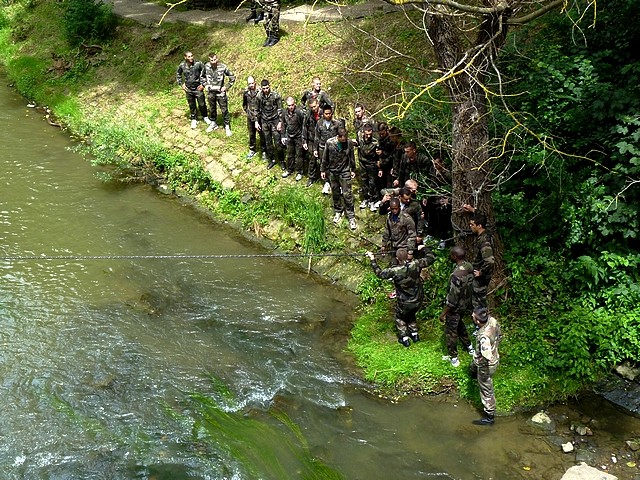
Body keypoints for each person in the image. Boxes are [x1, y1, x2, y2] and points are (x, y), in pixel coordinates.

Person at [365, 248, 436, 347]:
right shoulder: (416, 264)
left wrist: (372, 259)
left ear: (397, 258)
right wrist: (424, 248)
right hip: (418, 299)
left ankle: (404, 338)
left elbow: (379, 273)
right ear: (408, 256)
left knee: (400, 317)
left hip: (404, 302)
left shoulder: (395, 271)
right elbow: (431, 258)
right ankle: (415, 334)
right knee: (411, 313)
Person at [439, 246, 475, 368]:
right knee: (459, 325)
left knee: (451, 332)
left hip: (456, 307)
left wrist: (443, 313)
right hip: (466, 303)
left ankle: (453, 358)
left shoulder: (456, 275)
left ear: (454, 257)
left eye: (451, 254)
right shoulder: (469, 266)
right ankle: (469, 347)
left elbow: (452, 299)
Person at [321, 127, 357, 230]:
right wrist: (323, 170)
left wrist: (353, 169)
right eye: (343, 138)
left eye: (346, 138)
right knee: (335, 193)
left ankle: (351, 216)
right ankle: (338, 211)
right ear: (338, 136)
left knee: (347, 194)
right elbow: (325, 157)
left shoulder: (349, 143)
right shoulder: (330, 143)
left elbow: (351, 156)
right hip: (333, 171)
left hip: (344, 171)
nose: (344, 140)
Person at [470, 307, 501, 425]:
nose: (472, 316)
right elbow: (499, 334)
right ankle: (473, 373)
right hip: (494, 355)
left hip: (486, 366)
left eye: (473, 317)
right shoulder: (492, 320)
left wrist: (483, 359)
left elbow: (486, 355)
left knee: (486, 389)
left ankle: (489, 417)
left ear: (478, 321)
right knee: (474, 368)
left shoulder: (484, 337)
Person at [463, 205, 495, 310]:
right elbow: (484, 217)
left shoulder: (484, 241)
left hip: (481, 277)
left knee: (478, 301)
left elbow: (490, 261)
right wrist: (473, 210)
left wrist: (481, 272)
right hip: (479, 274)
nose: (470, 226)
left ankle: (481, 322)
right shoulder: (487, 230)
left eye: (472, 225)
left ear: (479, 226)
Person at [201, 53, 236, 136]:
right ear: (209, 60)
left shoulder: (223, 67)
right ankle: (213, 123)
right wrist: (205, 85)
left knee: (224, 110)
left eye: (215, 59)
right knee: (212, 109)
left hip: (220, 92)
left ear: (217, 59)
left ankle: (227, 126)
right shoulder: (206, 66)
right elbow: (202, 77)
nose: (213, 62)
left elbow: (232, 77)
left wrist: (226, 87)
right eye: (211, 60)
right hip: (211, 92)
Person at [313, 105, 343, 195]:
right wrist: (315, 149)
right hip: (322, 147)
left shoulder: (337, 123)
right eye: (326, 114)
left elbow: (341, 137)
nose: (328, 115)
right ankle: (327, 183)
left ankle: (338, 185)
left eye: (329, 113)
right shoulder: (319, 123)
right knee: (324, 165)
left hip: (334, 149)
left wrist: (341, 149)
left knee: (336, 166)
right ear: (323, 114)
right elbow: (317, 136)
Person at [255, 79, 284, 170]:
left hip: (275, 120)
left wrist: (280, 122)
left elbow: (280, 109)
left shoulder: (276, 95)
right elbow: (256, 109)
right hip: (265, 121)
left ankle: (282, 160)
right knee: (268, 142)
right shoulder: (259, 96)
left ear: (269, 86)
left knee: (277, 142)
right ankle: (272, 159)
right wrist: (256, 121)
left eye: (267, 88)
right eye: (264, 88)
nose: (266, 90)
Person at [176, 51, 208, 130]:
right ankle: (194, 119)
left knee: (202, 104)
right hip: (188, 89)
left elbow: (206, 73)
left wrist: (203, 84)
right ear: (185, 57)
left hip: (198, 88)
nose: (191, 58)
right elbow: (178, 74)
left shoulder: (198, 63)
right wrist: (181, 84)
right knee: (192, 105)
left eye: (192, 56)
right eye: (189, 56)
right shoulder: (182, 65)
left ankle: (205, 116)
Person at [381, 197, 417, 262]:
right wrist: (384, 244)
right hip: (394, 246)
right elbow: (387, 231)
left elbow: (412, 235)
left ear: (399, 207)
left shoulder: (406, 218)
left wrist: (410, 251)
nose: (394, 211)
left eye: (396, 209)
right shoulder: (389, 218)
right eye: (392, 209)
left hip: (404, 246)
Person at [281, 96, 305, 181]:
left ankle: (299, 172)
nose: (290, 107)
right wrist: (283, 136)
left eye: (292, 105)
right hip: (289, 136)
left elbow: (303, 125)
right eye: (288, 105)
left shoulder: (299, 112)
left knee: (299, 155)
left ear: (294, 104)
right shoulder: (284, 112)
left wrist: (303, 138)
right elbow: (283, 124)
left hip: (298, 136)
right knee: (290, 154)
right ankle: (289, 170)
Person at [356, 124, 380, 211]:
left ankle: (372, 200)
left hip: (372, 164)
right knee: (364, 181)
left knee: (372, 183)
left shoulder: (375, 142)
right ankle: (365, 199)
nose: (369, 136)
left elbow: (379, 155)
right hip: (362, 163)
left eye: (370, 134)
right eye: (367, 134)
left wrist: (379, 167)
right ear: (363, 133)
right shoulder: (360, 139)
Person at [242, 76, 266, 159]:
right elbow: (244, 104)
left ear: (255, 82)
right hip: (250, 117)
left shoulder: (260, 92)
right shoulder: (246, 92)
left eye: (252, 83)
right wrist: (248, 112)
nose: (251, 85)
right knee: (251, 134)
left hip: (260, 117)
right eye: (249, 84)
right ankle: (252, 149)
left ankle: (264, 151)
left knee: (262, 134)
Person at [302, 97, 321, 186]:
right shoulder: (308, 114)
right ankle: (311, 177)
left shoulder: (324, 113)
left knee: (324, 160)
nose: (313, 109)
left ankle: (327, 179)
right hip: (311, 139)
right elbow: (305, 127)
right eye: (311, 107)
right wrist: (304, 141)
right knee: (312, 159)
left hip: (322, 140)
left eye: (314, 106)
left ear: (317, 104)